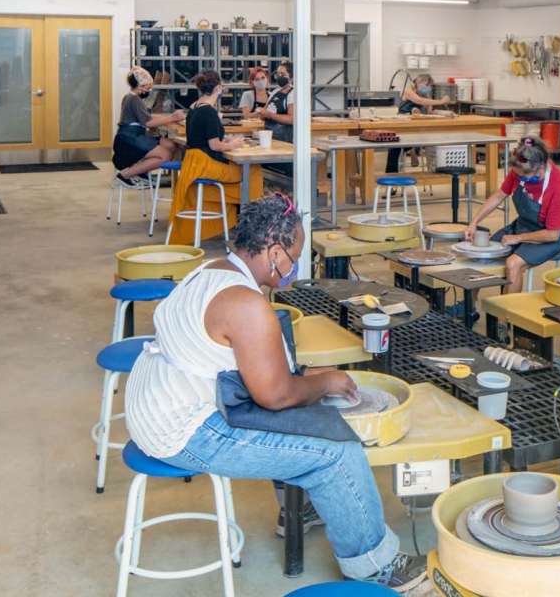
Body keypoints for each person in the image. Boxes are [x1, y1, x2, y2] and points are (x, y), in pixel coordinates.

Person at [125, 196, 429, 592]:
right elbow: (275, 397)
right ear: (273, 251)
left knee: (296, 416)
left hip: (155, 400)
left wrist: (304, 376)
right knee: (336, 453)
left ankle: (300, 508)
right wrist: (325, 382)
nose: (296, 266)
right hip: (181, 429)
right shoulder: (246, 303)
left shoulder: (211, 270)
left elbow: (254, 372)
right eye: (295, 255)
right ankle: (375, 565)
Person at [463, 136, 560, 293]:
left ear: (541, 168)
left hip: (551, 236)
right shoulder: (521, 167)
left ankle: (505, 317)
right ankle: (468, 311)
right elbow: (499, 195)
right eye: (517, 176)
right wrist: (474, 222)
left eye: (524, 177)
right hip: (523, 225)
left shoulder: (558, 186)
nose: (520, 180)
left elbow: (553, 234)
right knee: (482, 254)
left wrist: (518, 238)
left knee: (513, 264)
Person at [167, 71, 245, 246]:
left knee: (241, 172)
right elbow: (214, 146)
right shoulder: (209, 112)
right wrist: (233, 145)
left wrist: (225, 140)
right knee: (249, 172)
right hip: (204, 163)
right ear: (218, 88)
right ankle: (246, 221)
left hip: (193, 162)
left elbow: (203, 137)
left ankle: (230, 214)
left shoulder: (194, 107)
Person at [112, 67, 185, 186]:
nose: (149, 90)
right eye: (147, 87)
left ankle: (142, 171)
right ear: (140, 86)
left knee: (170, 144)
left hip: (130, 137)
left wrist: (167, 119)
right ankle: (125, 175)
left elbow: (147, 118)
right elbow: (148, 123)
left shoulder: (129, 97)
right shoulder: (134, 99)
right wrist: (173, 118)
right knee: (166, 155)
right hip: (130, 139)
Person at [385, 74, 452, 173]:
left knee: (433, 142)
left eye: (429, 86)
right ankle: (392, 173)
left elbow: (429, 112)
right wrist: (441, 101)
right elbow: (419, 101)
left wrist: (446, 113)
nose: (427, 88)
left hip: (418, 128)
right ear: (418, 82)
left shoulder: (426, 96)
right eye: (426, 84)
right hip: (403, 126)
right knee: (395, 147)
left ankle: (433, 171)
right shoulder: (409, 91)